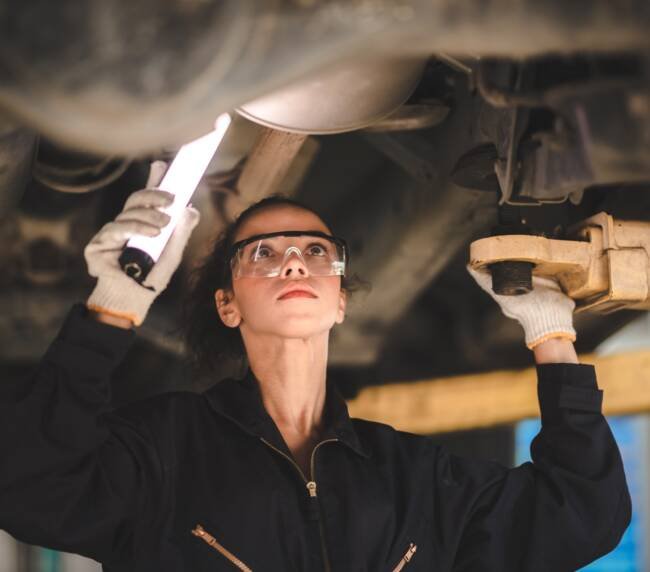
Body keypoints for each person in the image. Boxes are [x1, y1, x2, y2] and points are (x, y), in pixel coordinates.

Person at [0, 162, 631, 572]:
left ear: (341, 302)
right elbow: (29, 489)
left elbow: (582, 512)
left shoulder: (413, 479)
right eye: (262, 254)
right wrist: (113, 307)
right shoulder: (167, 450)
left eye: (314, 251)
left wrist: (550, 332)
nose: (294, 262)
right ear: (227, 305)